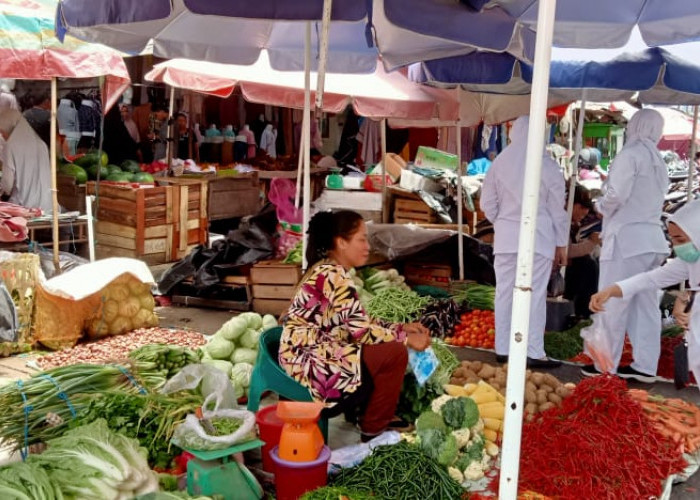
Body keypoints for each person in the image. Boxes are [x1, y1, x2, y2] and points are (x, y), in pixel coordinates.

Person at [279, 210, 431, 442]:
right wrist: (406, 339)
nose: (367, 246)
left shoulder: (328, 269)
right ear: (341, 242)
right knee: (393, 352)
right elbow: (361, 332)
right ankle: (374, 429)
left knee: (386, 345)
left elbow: (356, 321)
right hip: (309, 367)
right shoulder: (332, 274)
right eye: (361, 239)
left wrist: (401, 327)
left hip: (308, 356)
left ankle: (366, 416)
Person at [580, 109, 670, 382]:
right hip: (652, 241)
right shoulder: (659, 161)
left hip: (626, 241)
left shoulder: (630, 155)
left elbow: (616, 194)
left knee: (612, 301)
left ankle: (604, 365)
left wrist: (599, 206)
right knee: (646, 306)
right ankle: (645, 367)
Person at [480, 115, 568, 368]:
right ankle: (532, 350)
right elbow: (557, 210)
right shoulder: (547, 165)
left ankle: (503, 348)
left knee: (505, 292)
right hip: (538, 238)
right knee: (534, 295)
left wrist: (505, 222)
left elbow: (487, 204)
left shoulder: (500, 162)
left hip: (507, 239)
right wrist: (561, 242)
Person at [590, 199, 700, 385]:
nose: (677, 247)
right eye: (673, 241)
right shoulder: (690, 262)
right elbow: (651, 278)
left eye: (681, 240)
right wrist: (611, 290)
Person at [0, 109, 52, 212]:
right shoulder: (41, 144)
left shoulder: (11, 146)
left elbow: (7, 184)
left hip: (25, 206)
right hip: (48, 206)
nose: (3, 136)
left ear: (9, 127)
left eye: (2, 132)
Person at [563, 186, 601, 319]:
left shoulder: (571, 222)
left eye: (586, 208)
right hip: (558, 270)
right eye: (581, 207)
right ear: (570, 204)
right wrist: (591, 242)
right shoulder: (561, 220)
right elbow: (567, 251)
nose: (585, 212)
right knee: (588, 265)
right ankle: (583, 313)